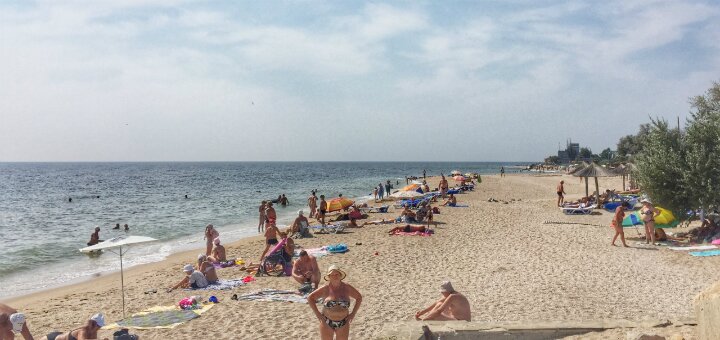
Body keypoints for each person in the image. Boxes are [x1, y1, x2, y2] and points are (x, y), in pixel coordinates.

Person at [307, 265, 362, 340]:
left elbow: (359, 297)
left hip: (343, 322)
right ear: (329, 277)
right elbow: (310, 298)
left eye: (336, 274)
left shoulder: (347, 287)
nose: (334, 276)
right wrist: (318, 314)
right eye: (332, 275)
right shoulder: (325, 289)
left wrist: (353, 314)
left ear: (340, 275)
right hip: (327, 322)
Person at [41, 313, 105, 340]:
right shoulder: (83, 330)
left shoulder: (94, 332)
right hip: (53, 338)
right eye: (99, 326)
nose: (100, 328)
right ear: (96, 325)